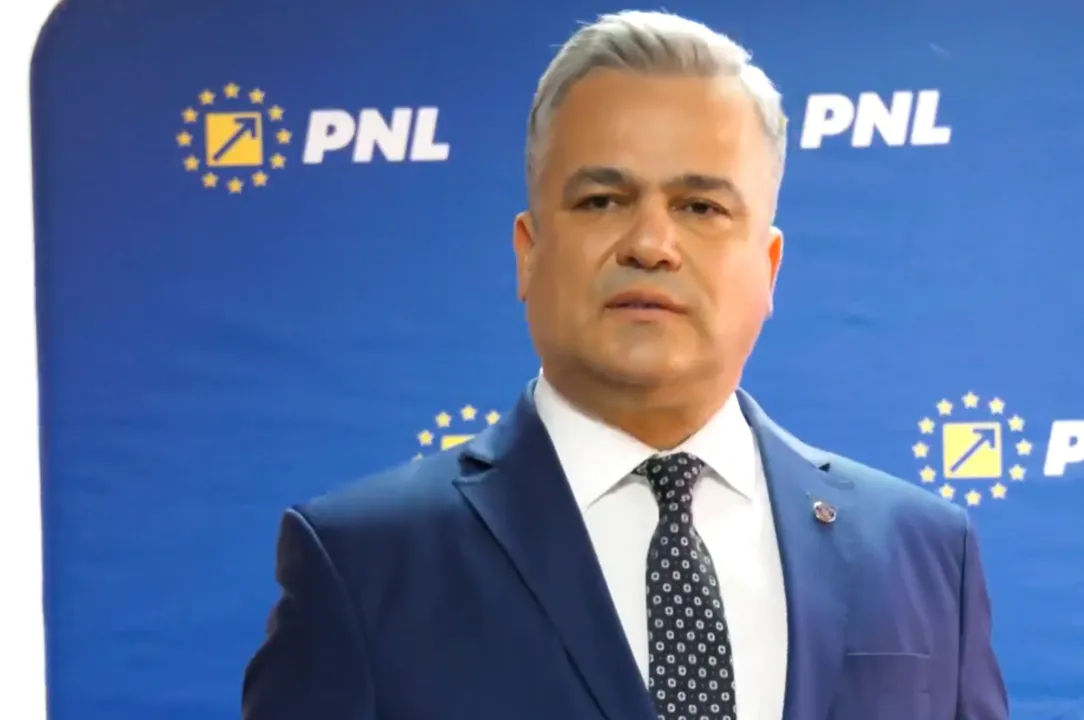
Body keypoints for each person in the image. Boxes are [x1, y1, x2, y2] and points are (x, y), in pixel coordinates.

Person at [241, 10, 1008, 720]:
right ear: (528, 253)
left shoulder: (924, 552)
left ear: (769, 267)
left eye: (700, 207)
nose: (650, 244)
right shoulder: (364, 563)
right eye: (602, 201)